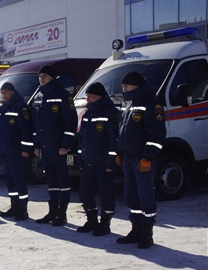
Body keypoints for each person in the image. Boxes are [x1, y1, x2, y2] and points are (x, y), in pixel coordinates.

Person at [115, 71, 166, 249]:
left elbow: (158, 135)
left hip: (141, 159)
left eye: (127, 86)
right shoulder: (128, 104)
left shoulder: (151, 103)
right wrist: (119, 152)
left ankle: (147, 233)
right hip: (128, 158)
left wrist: (147, 157)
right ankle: (136, 229)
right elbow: (122, 132)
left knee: (145, 196)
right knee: (130, 195)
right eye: (123, 87)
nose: (124, 89)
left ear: (137, 86)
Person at [33, 65, 78, 226]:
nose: (41, 79)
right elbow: (36, 124)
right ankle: (52, 212)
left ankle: (62, 214)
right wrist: (37, 144)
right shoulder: (39, 96)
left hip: (59, 147)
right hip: (45, 147)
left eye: (44, 76)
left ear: (52, 77)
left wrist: (66, 144)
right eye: (40, 76)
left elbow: (71, 122)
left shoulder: (63, 95)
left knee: (62, 180)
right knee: (51, 180)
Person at [76, 82, 120, 236]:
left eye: (91, 96)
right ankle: (92, 220)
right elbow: (82, 139)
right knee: (84, 193)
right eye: (87, 96)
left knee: (106, 194)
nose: (88, 99)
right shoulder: (87, 113)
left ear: (99, 97)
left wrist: (110, 161)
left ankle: (105, 224)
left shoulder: (111, 113)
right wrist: (80, 159)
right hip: (89, 162)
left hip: (103, 163)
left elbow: (114, 139)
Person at [0, 82, 33, 221]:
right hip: (6, 151)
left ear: (12, 92)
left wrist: (25, 149)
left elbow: (25, 130)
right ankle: (14, 206)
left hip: (16, 151)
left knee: (19, 180)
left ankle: (23, 209)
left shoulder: (20, 107)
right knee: (10, 181)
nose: (3, 95)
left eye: (5, 92)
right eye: (2, 92)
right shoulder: (4, 107)